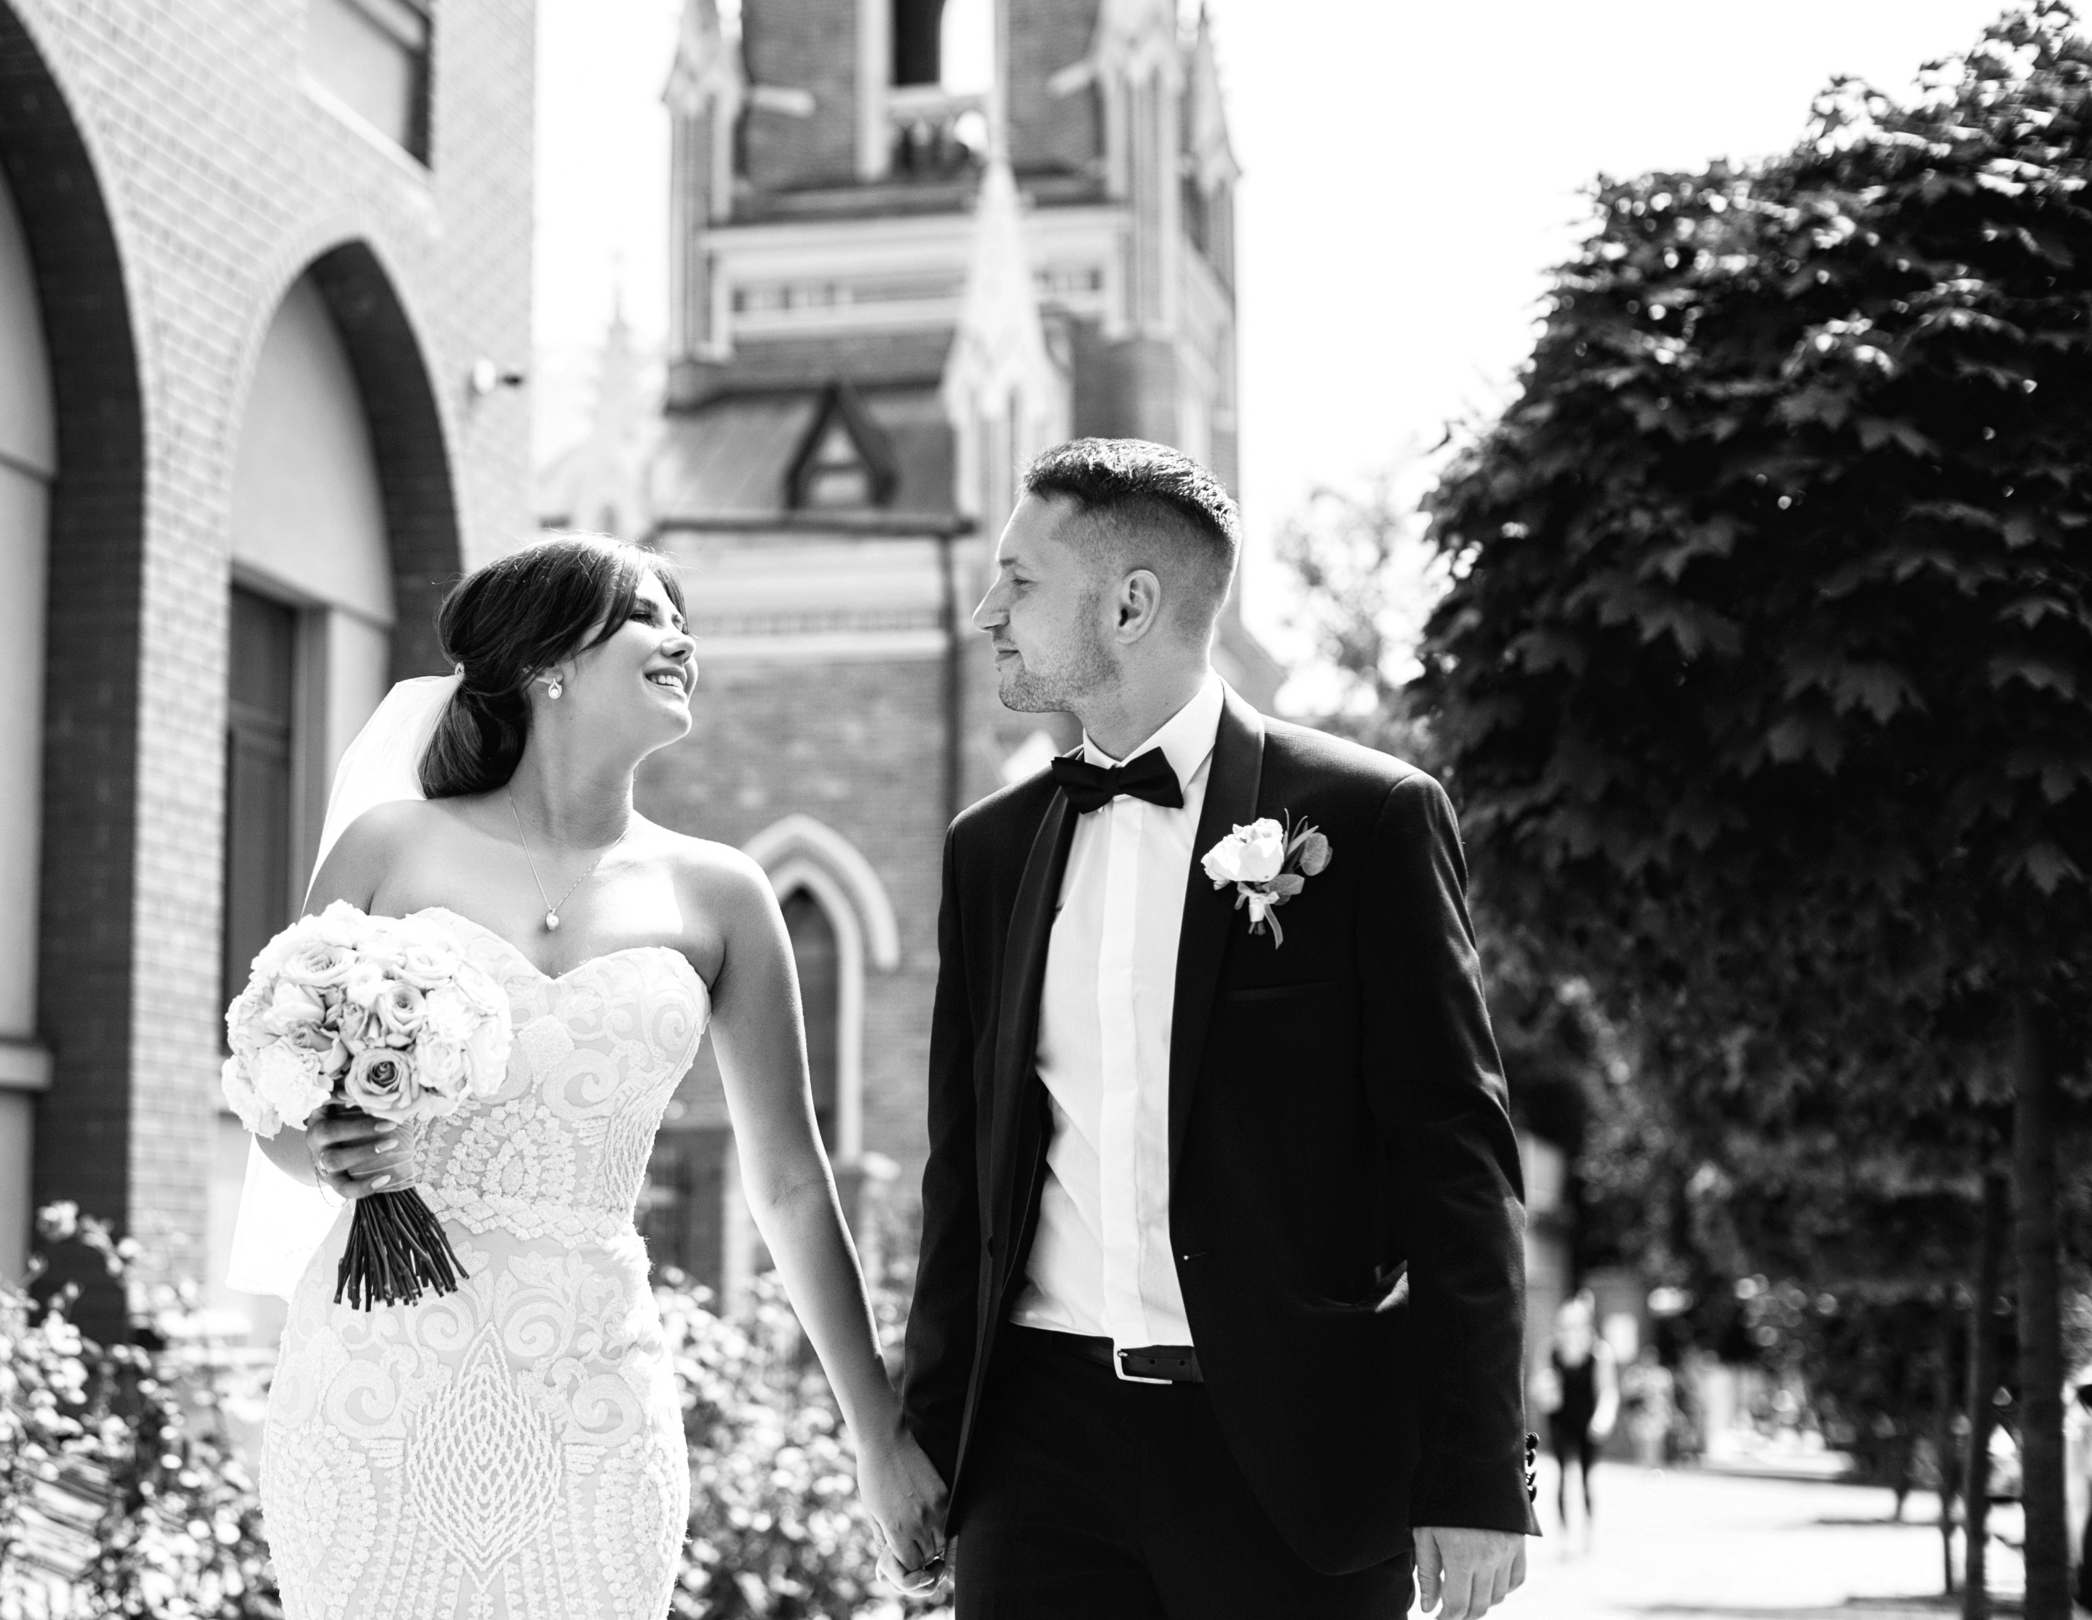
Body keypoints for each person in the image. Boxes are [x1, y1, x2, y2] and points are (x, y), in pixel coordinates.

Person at [237, 536, 946, 1620]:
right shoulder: (390, 847)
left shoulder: (723, 894)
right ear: (549, 662)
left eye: (682, 618)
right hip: (374, 1378)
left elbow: (792, 1184)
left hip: (593, 1395)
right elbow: (276, 1107)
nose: (683, 640)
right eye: (649, 616)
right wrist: (325, 1148)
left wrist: (878, 1433)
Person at [898, 438, 1536, 1620]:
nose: (987, 610)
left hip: (1289, 1454)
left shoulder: (1368, 816)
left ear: (1132, 603)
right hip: (1035, 1459)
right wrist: (923, 1440)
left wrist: (1478, 1470)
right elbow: (965, 1172)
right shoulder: (987, 850)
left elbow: (1457, 1163)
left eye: (1020, 581)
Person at [1531, 1294, 1619, 1552]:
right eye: (1565, 1325)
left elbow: (1608, 1391)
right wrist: (1543, 1390)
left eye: (1576, 1325)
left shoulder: (1600, 1353)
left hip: (1587, 1422)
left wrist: (1603, 1418)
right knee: (1559, 1476)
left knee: (1586, 1478)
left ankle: (1589, 1533)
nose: (1570, 1331)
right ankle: (1563, 1536)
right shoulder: (1549, 1351)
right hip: (1560, 1419)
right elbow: (1539, 1388)